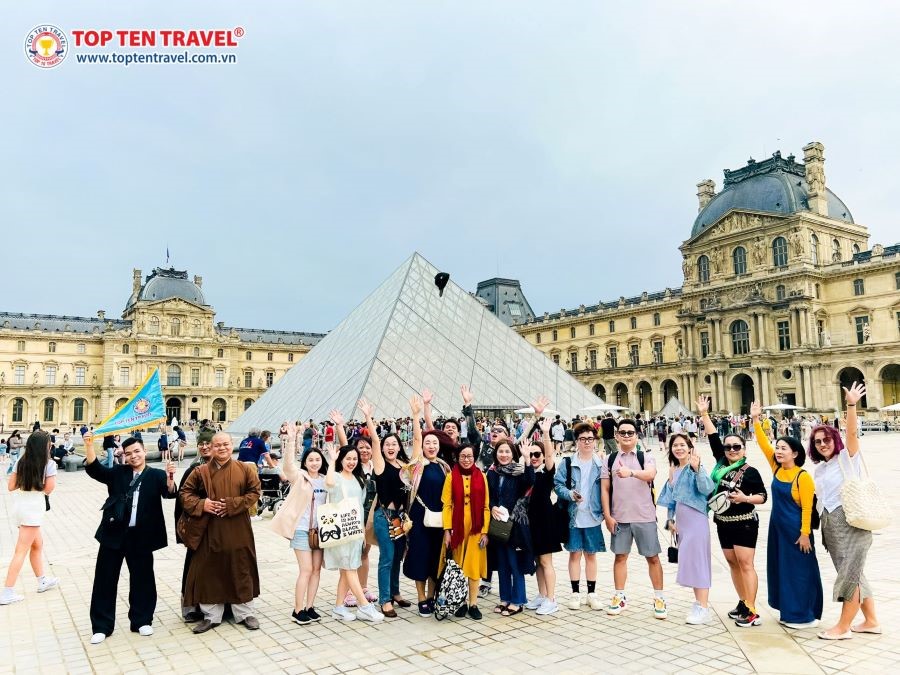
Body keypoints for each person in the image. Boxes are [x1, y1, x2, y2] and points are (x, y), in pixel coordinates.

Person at [83, 434, 176, 644]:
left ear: (144, 451)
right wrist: (89, 445)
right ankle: (101, 626)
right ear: (123, 456)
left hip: (141, 536)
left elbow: (169, 493)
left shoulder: (156, 475)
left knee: (143, 578)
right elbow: (96, 470)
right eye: (128, 453)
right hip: (113, 534)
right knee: (105, 580)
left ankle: (142, 620)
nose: (133, 456)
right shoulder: (119, 473)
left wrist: (170, 478)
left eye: (137, 451)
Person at [810, 382, 881, 640]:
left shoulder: (847, 458)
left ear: (835, 440)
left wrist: (851, 405)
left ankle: (843, 627)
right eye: (817, 441)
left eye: (826, 439)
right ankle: (871, 621)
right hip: (830, 524)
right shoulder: (820, 469)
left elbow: (851, 433)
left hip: (851, 522)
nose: (822, 444)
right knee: (855, 572)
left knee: (849, 574)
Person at [180, 432, 262, 634]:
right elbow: (185, 493)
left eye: (225, 444)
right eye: (218, 445)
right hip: (210, 529)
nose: (222, 448)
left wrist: (233, 504)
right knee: (209, 571)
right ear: (212, 447)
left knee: (240, 567)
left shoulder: (245, 468)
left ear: (232, 445)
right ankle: (211, 616)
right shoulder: (200, 471)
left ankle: (245, 613)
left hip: (238, 528)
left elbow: (254, 492)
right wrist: (203, 504)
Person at [751, 401, 823, 629]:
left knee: (800, 572)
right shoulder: (777, 469)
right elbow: (763, 444)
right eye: (778, 447)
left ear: (795, 453)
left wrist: (805, 534)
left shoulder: (803, 476)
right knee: (782, 570)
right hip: (778, 529)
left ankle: (804, 615)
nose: (778, 451)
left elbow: (807, 509)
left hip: (797, 531)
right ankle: (788, 610)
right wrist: (755, 419)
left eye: (783, 448)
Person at [697, 396, 767, 628]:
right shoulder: (720, 463)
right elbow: (713, 437)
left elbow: (762, 497)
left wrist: (744, 498)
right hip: (723, 522)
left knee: (746, 564)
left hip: (744, 522)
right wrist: (704, 414)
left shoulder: (750, 471)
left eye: (736, 447)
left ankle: (752, 610)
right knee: (733, 563)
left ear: (744, 449)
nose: (732, 450)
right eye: (728, 447)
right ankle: (743, 601)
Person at [344, 403, 411, 618]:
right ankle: (385, 600)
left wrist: (418, 414)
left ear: (399, 447)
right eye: (387, 444)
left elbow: (419, 444)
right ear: (381, 449)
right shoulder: (380, 464)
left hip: (400, 518)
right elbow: (374, 439)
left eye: (394, 444)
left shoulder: (404, 465)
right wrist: (368, 417)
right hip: (384, 516)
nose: (390, 447)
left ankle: (395, 593)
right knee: (387, 556)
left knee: (397, 556)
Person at [601, 418, 666, 619]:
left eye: (630, 433)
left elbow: (651, 474)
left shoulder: (645, 456)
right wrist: (607, 515)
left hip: (644, 516)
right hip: (620, 517)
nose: (626, 436)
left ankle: (659, 597)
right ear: (616, 436)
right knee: (620, 557)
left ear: (637, 436)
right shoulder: (609, 459)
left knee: (653, 557)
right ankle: (619, 596)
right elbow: (605, 489)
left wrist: (631, 473)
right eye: (623, 432)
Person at [270, 422, 327, 626]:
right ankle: (297, 609)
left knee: (317, 570)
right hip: (302, 530)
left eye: (317, 459)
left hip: (321, 531)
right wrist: (292, 439)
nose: (314, 463)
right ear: (305, 462)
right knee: (306, 570)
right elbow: (287, 465)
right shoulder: (299, 477)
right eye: (310, 460)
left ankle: (310, 606)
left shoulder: (325, 479)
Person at [658, 433, 716, 624]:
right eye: (675, 445)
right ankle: (699, 604)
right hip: (682, 522)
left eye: (682, 445)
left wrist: (697, 468)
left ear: (690, 447)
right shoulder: (673, 470)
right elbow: (671, 499)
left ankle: (703, 608)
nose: (679, 448)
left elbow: (707, 489)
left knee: (699, 563)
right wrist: (669, 520)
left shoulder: (695, 467)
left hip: (696, 520)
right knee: (691, 564)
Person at [323, 442, 384, 623]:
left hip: (355, 531)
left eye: (354, 459)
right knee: (350, 568)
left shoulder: (359, 480)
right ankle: (364, 606)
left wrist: (363, 533)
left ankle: (338, 607)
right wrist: (332, 461)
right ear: (341, 460)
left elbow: (360, 507)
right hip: (341, 531)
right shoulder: (336, 476)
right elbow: (328, 483)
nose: (351, 462)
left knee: (346, 571)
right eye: (348, 458)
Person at [402, 397, 450, 617]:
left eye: (435, 443)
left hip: (439, 519)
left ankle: (431, 596)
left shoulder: (444, 467)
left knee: (435, 559)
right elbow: (416, 438)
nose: (431, 446)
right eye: (427, 443)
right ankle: (421, 598)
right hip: (419, 518)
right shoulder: (417, 464)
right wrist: (416, 416)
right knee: (420, 557)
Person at [0, 430, 59, 605]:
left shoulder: (21, 461)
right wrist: (36, 482)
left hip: (20, 507)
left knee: (37, 545)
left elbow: (11, 486)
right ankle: (7, 592)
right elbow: (48, 489)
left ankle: (42, 580)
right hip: (33, 509)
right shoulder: (49, 464)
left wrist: (26, 481)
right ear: (45, 446)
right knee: (21, 551)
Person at [554, 421, 605, 612]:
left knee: (591, 555)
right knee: (574, 554)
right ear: (577, 441)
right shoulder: (567, 463)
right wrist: (570, 494)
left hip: (593, 515)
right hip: (573, 516)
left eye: (590, 438)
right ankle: (575, 593)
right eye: (583, 439)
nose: (587, 442)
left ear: (595, 440)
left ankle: (592, 593)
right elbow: (558, 485)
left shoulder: (601, 464)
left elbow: (608, 489)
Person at [487, 435, 535, 617]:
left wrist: (527, 459)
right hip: (498, 524)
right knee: (502, 564)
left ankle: (518, 600)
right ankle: (505, 598)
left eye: (507, 451)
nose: (504, 455)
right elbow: (489, 495)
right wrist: (492, 507)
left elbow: (530, 481)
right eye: (500, 451)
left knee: (515, 563)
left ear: (513, 454)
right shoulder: (492, 472)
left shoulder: (519, 471)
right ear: (496, 454)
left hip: (515, 525)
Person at [441, 443, 489, 619]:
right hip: (457, 528)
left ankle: (473, 603)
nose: (466, 459)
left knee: (473, 566)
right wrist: (447, 530)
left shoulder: (482, 476)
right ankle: (460, 602)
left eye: (469, 456)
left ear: (474, 457)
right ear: (457, 457)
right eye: (463, 456)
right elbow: (446, 505)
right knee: (458, 566)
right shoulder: (451, 477)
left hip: (476, 528)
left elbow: (486, 506)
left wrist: (485, 531)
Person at [174, 429, 214, 622]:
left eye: (208, 443)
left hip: (219, 527)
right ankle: (191, 607)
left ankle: (220, 605)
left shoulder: (227, 468)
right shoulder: (193, 470)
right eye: (201, 444)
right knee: (193, 567)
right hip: (198, 528)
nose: (204, 447)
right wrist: (181, 535)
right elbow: (180, 502)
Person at [525, 415, 560, 616]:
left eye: (537, 454)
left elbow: (549, 455)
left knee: (546, 561)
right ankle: (542, 594)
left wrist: (546, 433)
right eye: (531, 454)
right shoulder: (527, 472)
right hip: (531, 521)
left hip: (545, 521)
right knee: (538, 561)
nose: (534, 457)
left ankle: (551, 599)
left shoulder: (546, 472)